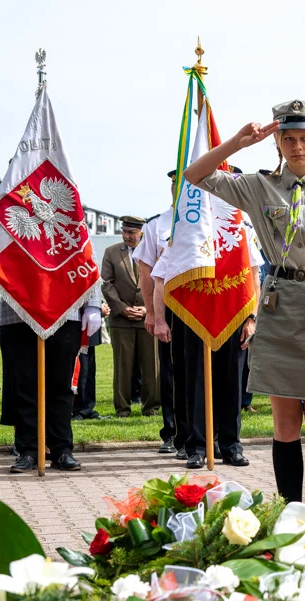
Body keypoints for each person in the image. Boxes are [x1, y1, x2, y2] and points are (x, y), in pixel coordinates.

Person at [184, 98, 305, 498]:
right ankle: (290, 512)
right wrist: (236, 143)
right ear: (278, 142)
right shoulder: (258, 186)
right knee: (284, 423)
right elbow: (195, 174)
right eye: (288, 138)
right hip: (280, 306)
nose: (297, 146)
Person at [2, 271, 103, 473]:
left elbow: (84, 256)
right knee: (23, 385)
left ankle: (62, 449)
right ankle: (28, 450)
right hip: (18, 309)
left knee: (62, 385)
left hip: (66, 308)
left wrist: (93, 304)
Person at [135, 183, 182, 456]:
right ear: (172, 188)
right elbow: (146, 272)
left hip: (204, 305)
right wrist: (152, 314)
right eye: (180, 184)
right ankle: (172, 432)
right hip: (169, 306)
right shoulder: (156, 226)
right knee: (171, 372)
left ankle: (207, 433)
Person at [101, 216, 160, 418]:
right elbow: (107, 284)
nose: (126, 236)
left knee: (152, 366)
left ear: (141, 233)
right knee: (122, 367)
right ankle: (122, 409)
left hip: (149, 319)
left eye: (131, 232)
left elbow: (161, 281)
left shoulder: (154, 251)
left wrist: (147, 309)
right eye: (124, 231)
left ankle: (151, 407)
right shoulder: (111, 252)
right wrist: (122, 308)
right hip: (121, 320)